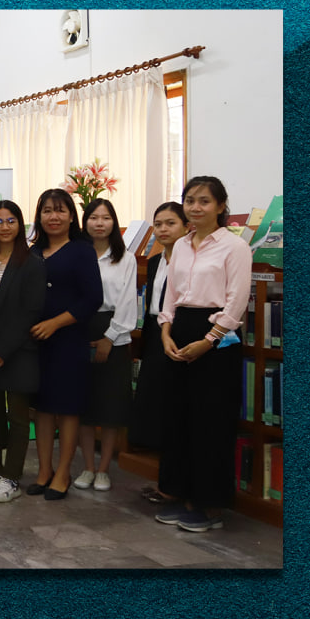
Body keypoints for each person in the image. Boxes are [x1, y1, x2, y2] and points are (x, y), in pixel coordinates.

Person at [155, 175, 252, 532]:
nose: (195, 207)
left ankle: (208, 505)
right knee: (178, 418)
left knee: (210, 422)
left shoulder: (234, 247)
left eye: (204, 201)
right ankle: (180, 493)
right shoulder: (181, 245)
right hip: (179, 329)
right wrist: (165, 330)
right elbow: (171, 293)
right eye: (190, 200)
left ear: (221, 206)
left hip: (216, 338)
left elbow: (236, 301)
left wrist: (208, 340)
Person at [28, 188, 104, 500]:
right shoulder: (33, 251)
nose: (53, 216)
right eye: (47, 210)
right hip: (36, 342)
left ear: (72, 216)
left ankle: (63, 473)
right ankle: (44, 471)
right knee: (43, 408)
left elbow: (92, 299)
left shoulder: (82, 250)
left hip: (69, 340)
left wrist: (55, 323)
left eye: (60, 210)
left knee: (68, 408)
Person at [0, 201, 46, 504]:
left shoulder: (32, 263)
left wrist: (2, 348)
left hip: (18, 351)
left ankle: (11, 477)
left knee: (17, 418)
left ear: (20, 224)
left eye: (11, 221)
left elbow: (31, 312)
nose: (4, 227)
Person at [73, 198, 138, 492]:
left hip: (114, 331)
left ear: (114, 222)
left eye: (106, 217)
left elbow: (127, 301)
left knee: (110, 408)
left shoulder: (125, 258)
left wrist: (109, 338)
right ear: (84, 221)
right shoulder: (77, 253)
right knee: (83, 405)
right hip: (79, 327)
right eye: (94, 217)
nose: (99, 223)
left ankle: (103, 470)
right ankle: (87, 467)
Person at [128, 201, 188, 480]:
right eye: (159, 224)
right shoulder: (154, 261)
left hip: (179, 331)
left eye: (171, 223)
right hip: (153, 331)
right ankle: (157, 456)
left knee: (175, 399)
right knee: (152, 395)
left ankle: (172, 464)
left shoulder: (190, 262)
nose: (163, 229)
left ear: (186, 227)